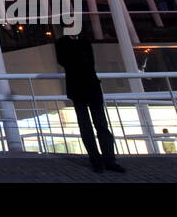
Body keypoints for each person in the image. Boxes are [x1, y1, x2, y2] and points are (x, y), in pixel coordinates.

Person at [53, 30, 126, 173]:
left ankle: (109, 160)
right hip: (77, 87)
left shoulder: (84, 41)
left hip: (91, 86)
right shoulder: (62, 43)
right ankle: (95, 160)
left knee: (102, 125)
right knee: (85, 126)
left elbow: (91, 63)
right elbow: (64, 62)